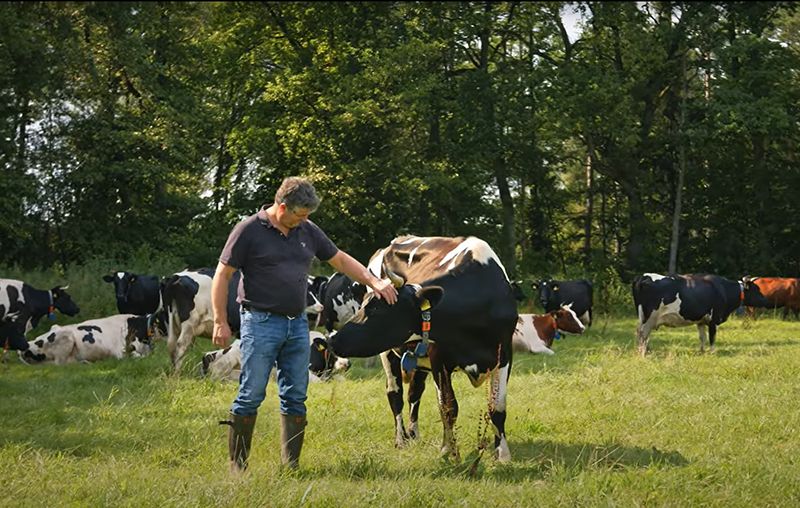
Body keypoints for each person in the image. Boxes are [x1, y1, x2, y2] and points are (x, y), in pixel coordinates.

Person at [211, 176, 397, 473]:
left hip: (297, 325)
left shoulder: (307, 230)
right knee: (251, 393)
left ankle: (291, 468)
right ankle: (238, 468)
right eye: (300, 214)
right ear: (282, 207)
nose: (304, 220)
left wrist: (373, 281)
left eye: (308, 215)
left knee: (296, 394)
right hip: (259, 322)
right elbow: (223, 275)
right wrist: (220, 320)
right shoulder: (249, 230)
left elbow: (339, 260)